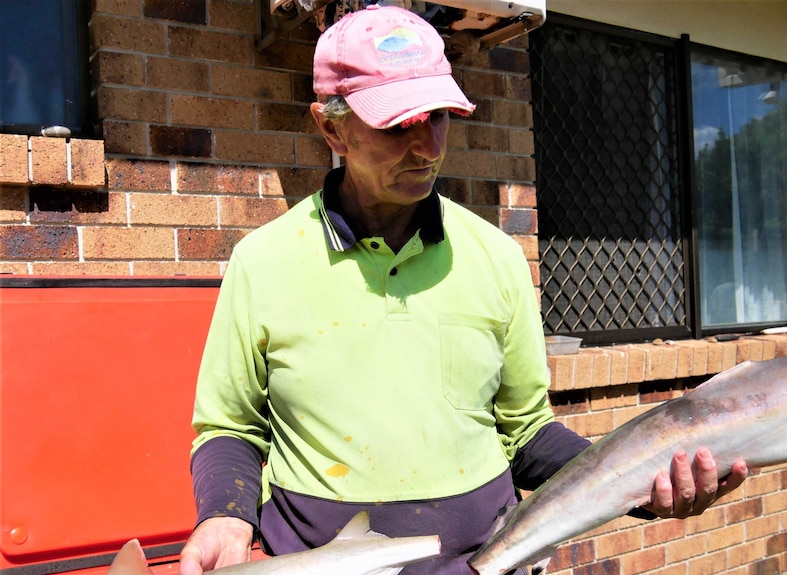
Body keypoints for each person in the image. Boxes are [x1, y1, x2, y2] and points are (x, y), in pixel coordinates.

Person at [177, 5, 749, 575]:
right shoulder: (265, 262)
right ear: (333, 127)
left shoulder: (495, 257)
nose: (428, 146)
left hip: (485, 563)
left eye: (439, 116)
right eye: (398, 124)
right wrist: (225, 515)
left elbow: (525, 432)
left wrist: (638, 485)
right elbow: (230, 427)